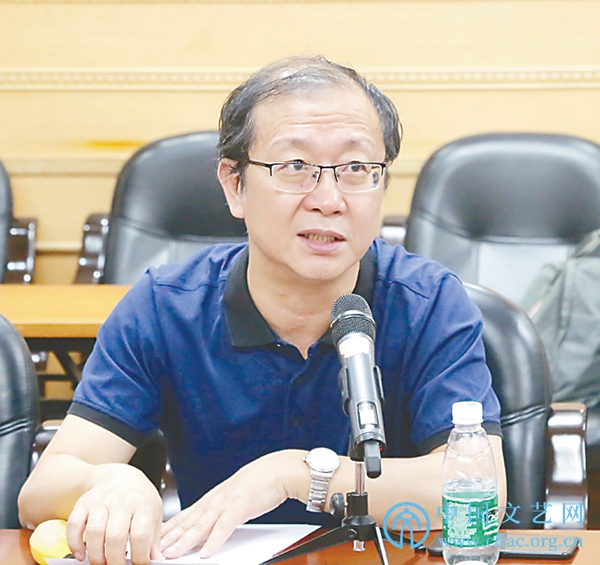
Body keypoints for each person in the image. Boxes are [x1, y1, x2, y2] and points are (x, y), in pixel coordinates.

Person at [19, 56, 506, 565]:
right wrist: (109, 481)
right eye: (295, 167)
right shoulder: (165, 307)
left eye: (356, 169)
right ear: (235, 185)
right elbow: (40, 492)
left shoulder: (428, 302)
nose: (329, 199)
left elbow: (482, 489)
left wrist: (294, 475)